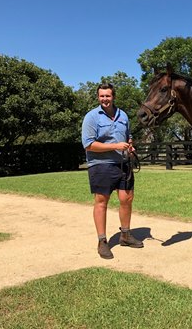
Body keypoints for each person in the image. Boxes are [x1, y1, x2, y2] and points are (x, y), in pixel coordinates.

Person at [81, 83, 143, 259]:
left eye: (108, 96)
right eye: (102, 96)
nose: (105, 99)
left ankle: (125, 235)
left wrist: (130, 146)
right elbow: (89, 144)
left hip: (123, 163)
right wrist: (115, 145)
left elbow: (128, 135)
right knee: (101, 201)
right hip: (101, 165)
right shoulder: (92, 117)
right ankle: (102, 241)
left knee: (126, 198)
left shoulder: (122, 115)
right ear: (98, 97)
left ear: (113, 96)